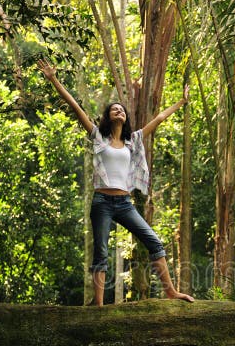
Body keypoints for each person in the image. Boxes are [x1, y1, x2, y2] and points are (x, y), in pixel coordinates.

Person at [37, 58, 194, 305]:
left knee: (153, 241)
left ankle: (171, 292)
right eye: (114, 109)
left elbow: (160, 117)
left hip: (124, 203)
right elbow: (75, 106)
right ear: (108, 117)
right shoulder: (99, 138)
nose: (119, 110)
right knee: (101, 251)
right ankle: (98, 305)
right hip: (102, 201)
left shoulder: (133, 141)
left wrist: (182, 102)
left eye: (122, 109)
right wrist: (54, 79)